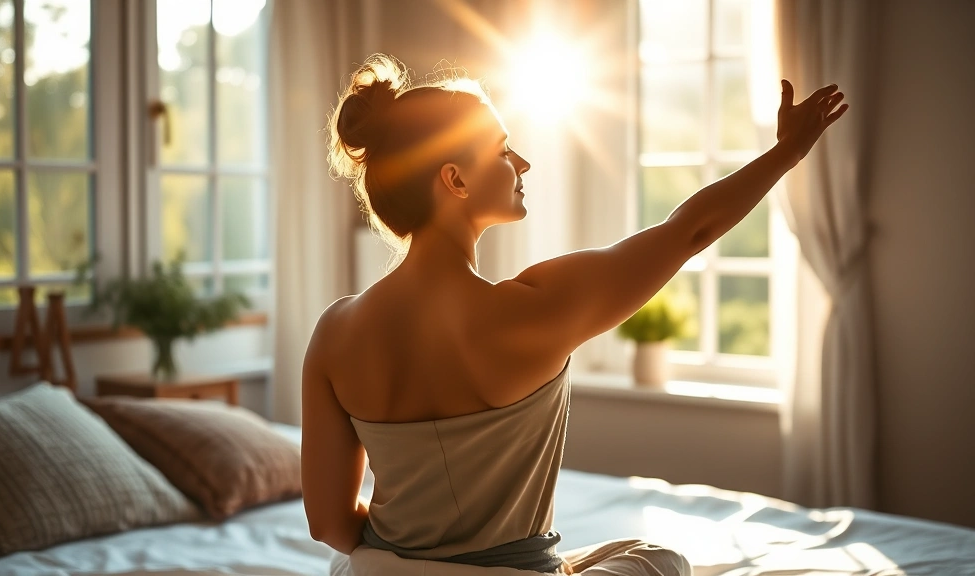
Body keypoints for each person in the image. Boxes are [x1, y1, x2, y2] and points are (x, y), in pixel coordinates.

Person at [302, 54, 847, 576]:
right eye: (502, 149)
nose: (523, 163)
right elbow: (687, 232)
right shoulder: (537, 309)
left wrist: (422, 560)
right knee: (660, 560)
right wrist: (786, 152)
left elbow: (329, 522)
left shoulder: (335, 333)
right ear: (456, 180)